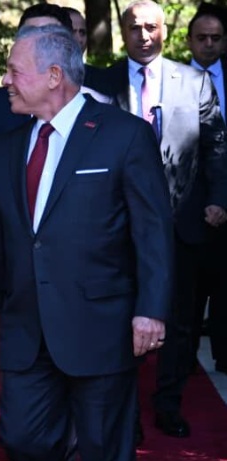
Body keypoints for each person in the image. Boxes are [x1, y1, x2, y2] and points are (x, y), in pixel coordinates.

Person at [0, 24, 173, 461]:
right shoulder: (3, 151)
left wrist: (152, 309)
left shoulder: (124, 136)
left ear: (54, 75)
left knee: (105, 453)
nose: (6, 81)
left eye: (15, 71)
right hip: (26, 327)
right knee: (22, 441)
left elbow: (152, 231)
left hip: (102, 323)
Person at [98, 0, 227, 438]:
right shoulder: (101, 82)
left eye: (152, 27)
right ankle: (126, 413)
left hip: (182, 224)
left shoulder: (194, 83)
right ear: (123, 31)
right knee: (119, 321)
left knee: (181, 320)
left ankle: (168, 404)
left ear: (166, 32)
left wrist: (219, 199)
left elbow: (216, 147)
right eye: (135, 27)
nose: (144, 35)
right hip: (115, 227)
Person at [0, 3, 73, 267]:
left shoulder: (100, 104)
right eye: (28, 35)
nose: (36, 42)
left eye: (47, 35)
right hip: (11, 258)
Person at [187, 3, 227, 374]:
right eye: (202, 38)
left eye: (216, 38)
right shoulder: (174, 80)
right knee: (195, 289)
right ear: (188, 42)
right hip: (193, 205)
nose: (209, 45)